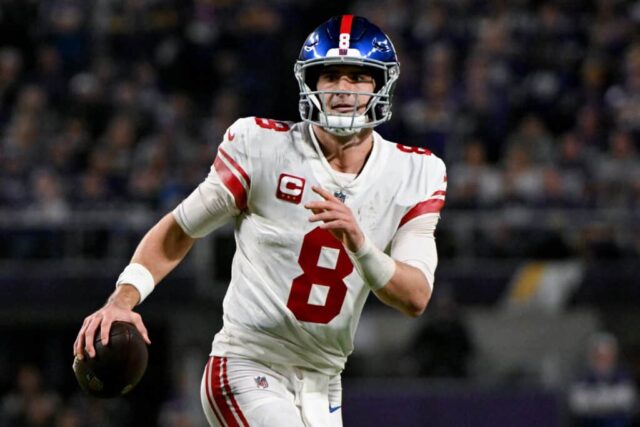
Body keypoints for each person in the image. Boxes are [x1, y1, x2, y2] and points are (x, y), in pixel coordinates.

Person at [73, 15, 447, 427]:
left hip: (323, 382)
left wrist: (361, 246)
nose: (343, 89)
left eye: (359, 77)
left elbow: (415, 296)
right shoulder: (262, 147)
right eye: (331, 75)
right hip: (247, 364)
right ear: (311, 84)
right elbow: (181, 228)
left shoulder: (415, 173)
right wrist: (122, 299)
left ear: (381, 85)